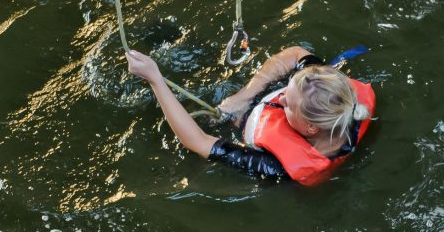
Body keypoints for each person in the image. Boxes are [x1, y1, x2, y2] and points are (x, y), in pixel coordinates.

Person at [125, 46, 375, 185]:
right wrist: (245, 96)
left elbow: (198, 142)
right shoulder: (326, 90)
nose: (282, 98)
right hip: (250, 107)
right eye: (288, 90)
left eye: (288, 104)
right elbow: (296, 53)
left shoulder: (277, 166)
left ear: (310, 128)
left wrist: (155, 80)